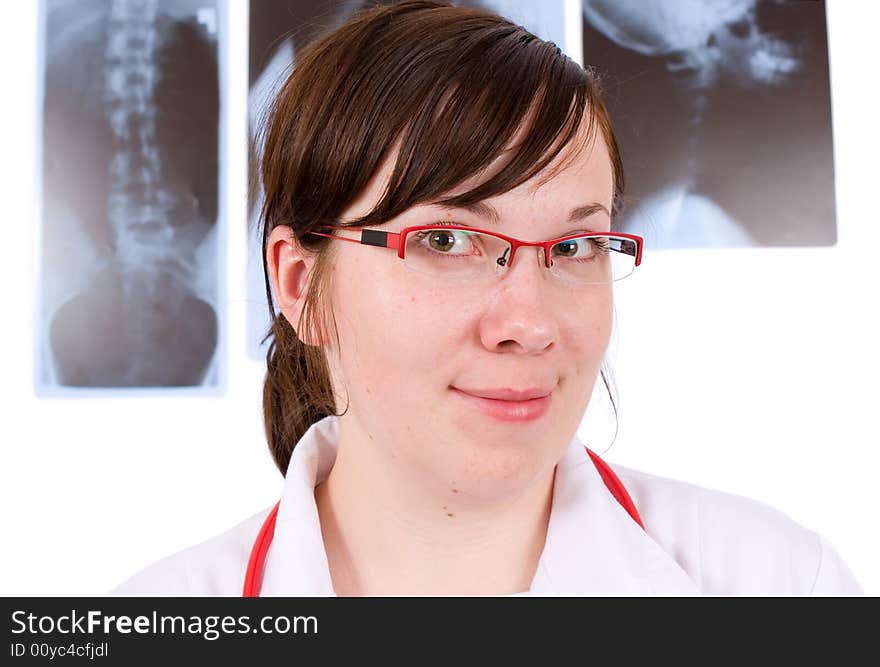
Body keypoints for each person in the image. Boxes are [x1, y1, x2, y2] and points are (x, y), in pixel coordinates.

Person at [111, 0, 863, 596]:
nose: (529, 324)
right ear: (300, 284)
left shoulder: (784, 586)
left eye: (575, 246)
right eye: (447, 242)